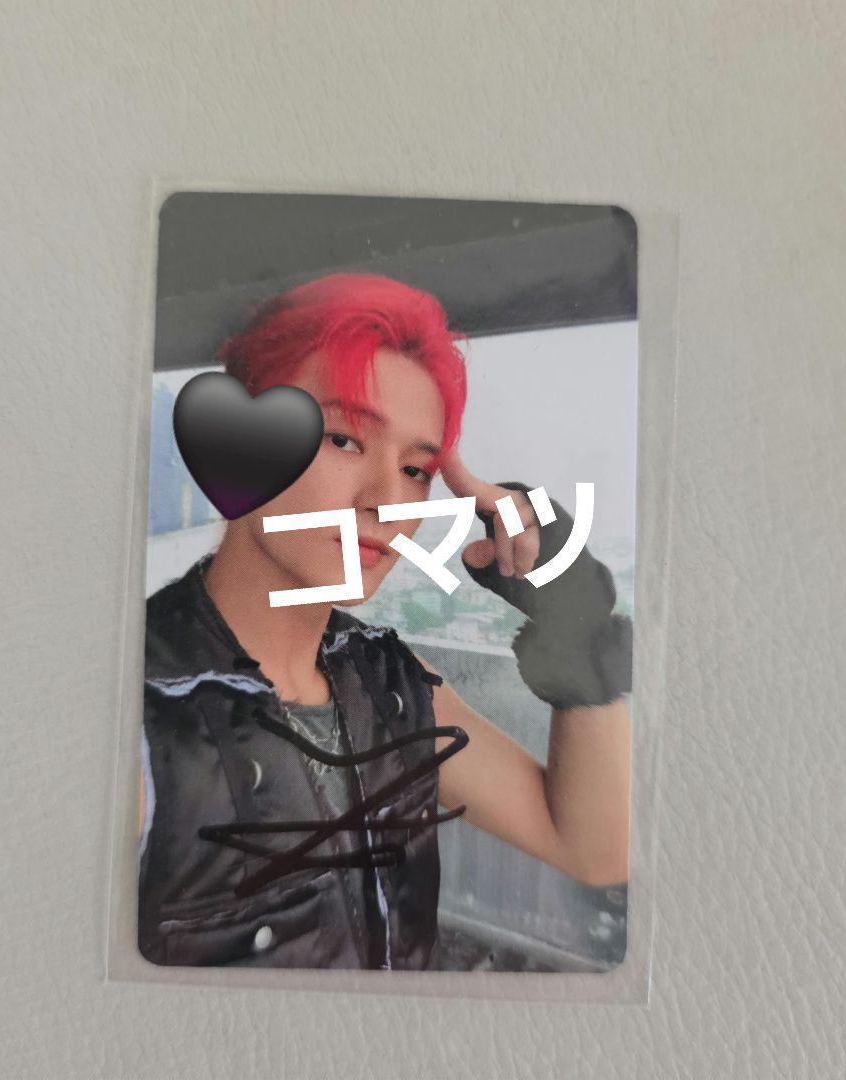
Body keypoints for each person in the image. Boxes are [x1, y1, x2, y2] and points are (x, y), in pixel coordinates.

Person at [138, 272, 632, 969]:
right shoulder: (141, 712)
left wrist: (575, 620)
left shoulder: (388, 682)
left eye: (416, 469)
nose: (388, 501)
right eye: (343, 439)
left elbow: (595, 850)